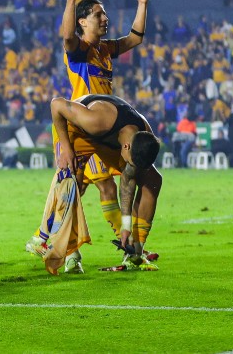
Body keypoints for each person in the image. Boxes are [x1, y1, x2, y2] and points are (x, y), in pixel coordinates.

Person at [28, 0, 150, 254]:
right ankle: (49, 241)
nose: (105, 19)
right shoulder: (79, 50)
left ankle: (117, 245)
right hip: (80, 127)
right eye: (99, 14)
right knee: (75, 185)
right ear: (83, 21)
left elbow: (135, 39)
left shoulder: (105, 49)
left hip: (105, 129)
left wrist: (142, 3)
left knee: (96, 187)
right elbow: (66, 36)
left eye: (104, 14)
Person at [48, 94, 163, 271]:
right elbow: (56, 105)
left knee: (153, 180)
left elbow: (128, 180)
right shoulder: (96, 120)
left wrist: (126, 226)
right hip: (77, 130)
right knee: (72, 183)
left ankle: (135, 252)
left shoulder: (143, 135)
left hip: (108, 141)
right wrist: (66, 148)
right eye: (131, 164)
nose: (130, 168)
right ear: (127, 147)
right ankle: (71, 254)